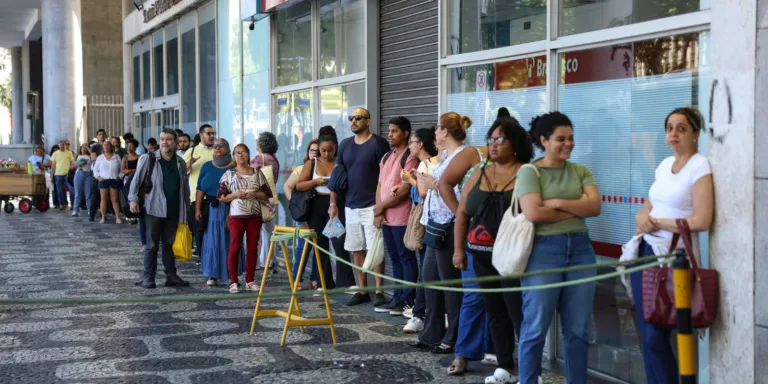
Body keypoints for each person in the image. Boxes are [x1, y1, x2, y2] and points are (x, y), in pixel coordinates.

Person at [516, 112, 601, 384]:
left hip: (581, 249)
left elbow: (595, 207)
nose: (568, 144)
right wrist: (575, 209)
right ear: (544, 140)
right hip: (543, 251)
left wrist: (554, 203)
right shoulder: (530, 172)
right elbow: (534, 214)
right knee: (535, 328)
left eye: (571, 138)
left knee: (577, 330)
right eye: (560, 139)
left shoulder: (580, 171)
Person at [630, 107, 714, 384]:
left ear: (695, 134)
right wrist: (643, 218)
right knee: (647, 332)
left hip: (672, 259)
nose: (673, 134)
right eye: (669, 128)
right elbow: (648, 206)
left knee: (657, 334)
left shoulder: (699, 165)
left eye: (681, 128)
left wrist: (660, 222)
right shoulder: (664, 165)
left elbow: (702, 219)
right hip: (645, 251)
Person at [453, 118, 533, 381]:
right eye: (491, 139)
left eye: (500, 139)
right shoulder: (479, 172)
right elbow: (463, 213)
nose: (494, 145)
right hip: (481, 255)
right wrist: (458, 250)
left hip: (515, 258)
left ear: (516, 144)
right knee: (495, 311)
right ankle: (505, 366)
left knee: (518, 312)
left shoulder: (528, 172)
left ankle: (530, 369)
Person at [410, 112, 470, 355]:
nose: (434, 132)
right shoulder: (444, 156)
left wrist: (434, 184)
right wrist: (427, 179)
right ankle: (432, 332)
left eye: (437, 128)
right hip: (435, 223)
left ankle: (453, 335)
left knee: (450, 285)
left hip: (450, 225)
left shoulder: (463, 155)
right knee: (430, 280)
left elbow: (459, 188)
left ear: (445, 131)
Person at [330, 107, 391, 308]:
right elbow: (336, 177)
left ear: (368, 120)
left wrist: (381, 206)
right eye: (351, 118)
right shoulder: (346, 145)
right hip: (350, 204)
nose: (354, 121)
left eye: (358, 118)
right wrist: (333, 203)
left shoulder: (378, 143)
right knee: (356, 248)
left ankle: (380, 290)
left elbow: (386, 175)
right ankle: (362, 289)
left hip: (372, 204)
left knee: (376, 248)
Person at [296, 127, 356, 292]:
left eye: (330, 150)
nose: (327, 154)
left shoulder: (340, 162)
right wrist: (316, 182)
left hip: (335, 206)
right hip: (316, 205)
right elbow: (299, 185)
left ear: (336, 148)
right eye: (323, 150)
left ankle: (346, 281)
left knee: (339, 243)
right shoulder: (312, 163)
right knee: (320, 246)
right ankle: (324, 282)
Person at [129, 129, 191, 289]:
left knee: (169, 244)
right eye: (162, 139)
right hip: (153, 208)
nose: (164, 142)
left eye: (168, 139)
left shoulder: (180, 162)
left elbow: (184, 187)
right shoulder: (148, 159)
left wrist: (186, 207)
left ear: (175, 142)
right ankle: (148, 277)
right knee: (152, 244)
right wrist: (133, 200)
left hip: (173, 209)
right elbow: (136, 180)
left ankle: (171, 276)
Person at [374, 117, 420, 315]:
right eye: (389, 131)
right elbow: (380, 185)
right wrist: (379, 209)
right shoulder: (386, 156)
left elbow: (404, 189)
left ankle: (408, 299)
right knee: (394, 257)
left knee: (405, 257)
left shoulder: (410, 156)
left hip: (402, 217)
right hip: (386, 218)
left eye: (394, 131)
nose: (390, 134)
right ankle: (397, 297)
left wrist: (381, 207)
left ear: (406, 133)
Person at [398, 127, 439, 333]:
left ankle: (419, 314)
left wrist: (410, 181)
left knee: (426, 270)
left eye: (412, 142)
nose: (410, 146)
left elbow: (424, 192)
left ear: (420, 144)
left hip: (429, 220)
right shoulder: (429, 163)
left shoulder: (427, 163)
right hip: (428, 218)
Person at [219, 143, 274, 293]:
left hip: (254, 216)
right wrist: (236, 195)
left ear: (248, 154)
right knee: (235, 247)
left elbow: (268, 194)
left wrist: (255, 194)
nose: (241, 155)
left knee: (252, 247)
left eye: (243, 152)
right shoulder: (229, 175)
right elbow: (221, 197)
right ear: (234, 156)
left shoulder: (257, 173)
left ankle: (250, 280)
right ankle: (233, 281)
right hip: (237, 216)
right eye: (237, 153)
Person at [196, 139, 241, 287]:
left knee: (231, 241)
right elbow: (199, 188)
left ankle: (233, 274)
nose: (217, 148)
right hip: (211, 208)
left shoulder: (235, 167)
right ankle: (212, 274)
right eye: (215, 146)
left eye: (221, 146)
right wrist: (197, 208)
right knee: (212, 241)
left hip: (231, 207)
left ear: (228, 149)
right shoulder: (206, 166)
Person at [285, 140, 320, 290]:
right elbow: (287, 186)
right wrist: (295, 204)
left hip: (320, 213)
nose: (315, 154)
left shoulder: (325, 169)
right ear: (307, 152)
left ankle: (315, 278)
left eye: (317, 151)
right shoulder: (300, 169)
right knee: (303, 247)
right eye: (312, 150)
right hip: (305, 214)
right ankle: (296, 278)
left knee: (319, 247)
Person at [184, 124, 216, 256]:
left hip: (216, 196)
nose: (212, 136)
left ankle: (212, 254)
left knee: (214, 228)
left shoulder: (218, 150)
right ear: (201, 135)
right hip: (197, 197)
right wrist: (190, 162)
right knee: (199, 228)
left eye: (213, 133)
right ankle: (202, 256)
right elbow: (182, 172)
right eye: (209, 133)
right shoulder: (191, 151)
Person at [251, 132, 281, 272]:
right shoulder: (274, 159)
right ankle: (269, 260)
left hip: (259, 197)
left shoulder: (259, 158)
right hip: (271, 197)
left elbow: (249, 175)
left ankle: (258, 262)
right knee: (268, 231)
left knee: (256, 230)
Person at [93, 140, 124, 224]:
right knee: (103, 199)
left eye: (108, 145)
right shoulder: (100, 157)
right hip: (104, 180)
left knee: (115, 199)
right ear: (102, 147)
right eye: (104, 145)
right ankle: (103, 217)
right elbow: (95, 170)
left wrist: (119, 177)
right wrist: (99, 177)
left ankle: (117, 217)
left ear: (111, 147)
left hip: (114, 180)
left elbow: (122, 169)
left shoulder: (116, 157)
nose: (106, 147)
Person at [50, 139, 75, 210]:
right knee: (59, 190)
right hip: (58, 174)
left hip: (67, 175)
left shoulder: (69, 153)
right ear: (58, 145)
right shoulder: (55, 153)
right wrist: (52, 176)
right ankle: (62, 204)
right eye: (61, 145)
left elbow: (72, 162)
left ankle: (72, 204)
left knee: (71, 189)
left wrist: (71, 170)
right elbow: (53, 165)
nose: (62, 146)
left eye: (63, 144)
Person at [122, 139, 141, 227]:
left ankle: (137, 215)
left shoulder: (139, 157)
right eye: (128, 146)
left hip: (137, 179)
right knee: (127, 196)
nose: (129, 148)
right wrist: (134, 170)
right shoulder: (125, 158)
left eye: (131, 146)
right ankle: (130, 214)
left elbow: (140, 169)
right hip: (127, 179)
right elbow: (123, 170)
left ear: (135, 147)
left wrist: (130, 171)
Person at [72, 144, 94, 217]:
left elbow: (93, 157)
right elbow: (73, 165)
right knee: (78, 193)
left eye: (85, 148)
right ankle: (75, 210)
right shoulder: (78, 156)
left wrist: (88, 148)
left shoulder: (90, 156)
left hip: (88, 174)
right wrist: (79, 163)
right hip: (79, 173)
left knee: (88, 193)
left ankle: (90, 210)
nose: (84, 149)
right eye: (82, 148)